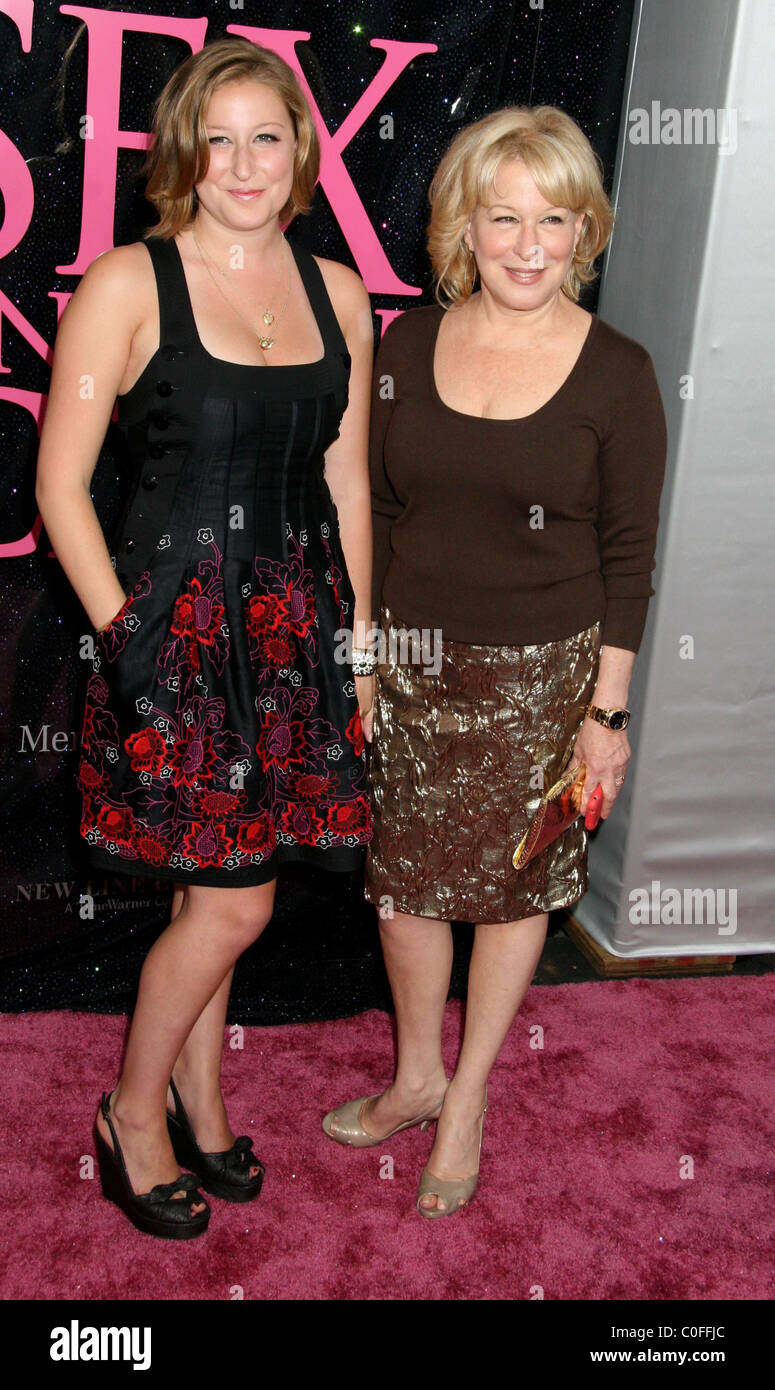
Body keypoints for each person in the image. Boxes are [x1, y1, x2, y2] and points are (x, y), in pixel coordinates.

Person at [35, 37, 376, 1239]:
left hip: (296, 640)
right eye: (216, 138)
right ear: (186, 153)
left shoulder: (337, 295)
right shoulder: (130, 283)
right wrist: (127, 636)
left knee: (217, 889)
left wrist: (362, 648)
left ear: (302, 154)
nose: (241, 162)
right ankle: (133, 1114)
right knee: (235, 904)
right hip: (170, 636)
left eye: (264, 137)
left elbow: (347, 481)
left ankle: (201, 1092)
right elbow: (61, 484)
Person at [322, 106, 667, 1217]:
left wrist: (603, 715)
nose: (527, 243)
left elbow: (628, 554)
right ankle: (416, 1072)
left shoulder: (618, 372)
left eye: (553, 219)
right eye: (502, 216)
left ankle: (467, 1096)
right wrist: (366, 651)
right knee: (404, 882)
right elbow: (370, 503)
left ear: (585, 229)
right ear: (462, 226)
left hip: (543, 671)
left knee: (513, 886)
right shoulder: (406, 344)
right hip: (415, 659)